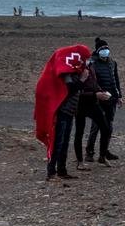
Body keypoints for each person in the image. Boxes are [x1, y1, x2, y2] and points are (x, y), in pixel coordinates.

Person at [35, 45, 92, 180]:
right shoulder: (67, 73)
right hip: (62, 111)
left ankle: (62, 170)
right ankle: (51, 172)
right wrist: (83, 80)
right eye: (86, 58)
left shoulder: (76, 71)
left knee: (65, 141)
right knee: (58, 141)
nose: (87, 61)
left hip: (70, 111)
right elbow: (70, 89)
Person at [85, 38, 122, 163]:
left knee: (109, 126)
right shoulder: (92, 64)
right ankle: (89, 152)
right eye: (102, 49)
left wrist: (119, 96)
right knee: (96, 126)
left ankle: (104, 150)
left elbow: (115, 80)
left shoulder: (112, 63)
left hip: (111, 99)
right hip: (98, 99)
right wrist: (96, 94)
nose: (105, 51)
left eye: (107, 48)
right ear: (97, 51)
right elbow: (91, 82)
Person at [73, 59, 113, 170]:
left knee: (105, 128)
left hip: (93, 104)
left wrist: (101, 91)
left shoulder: (91, 66)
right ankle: (80, 161)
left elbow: (94, 83)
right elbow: (77, 90)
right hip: (81, 105)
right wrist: (96, 94)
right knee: (79, 132)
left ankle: (102, 156)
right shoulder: (75, 68)